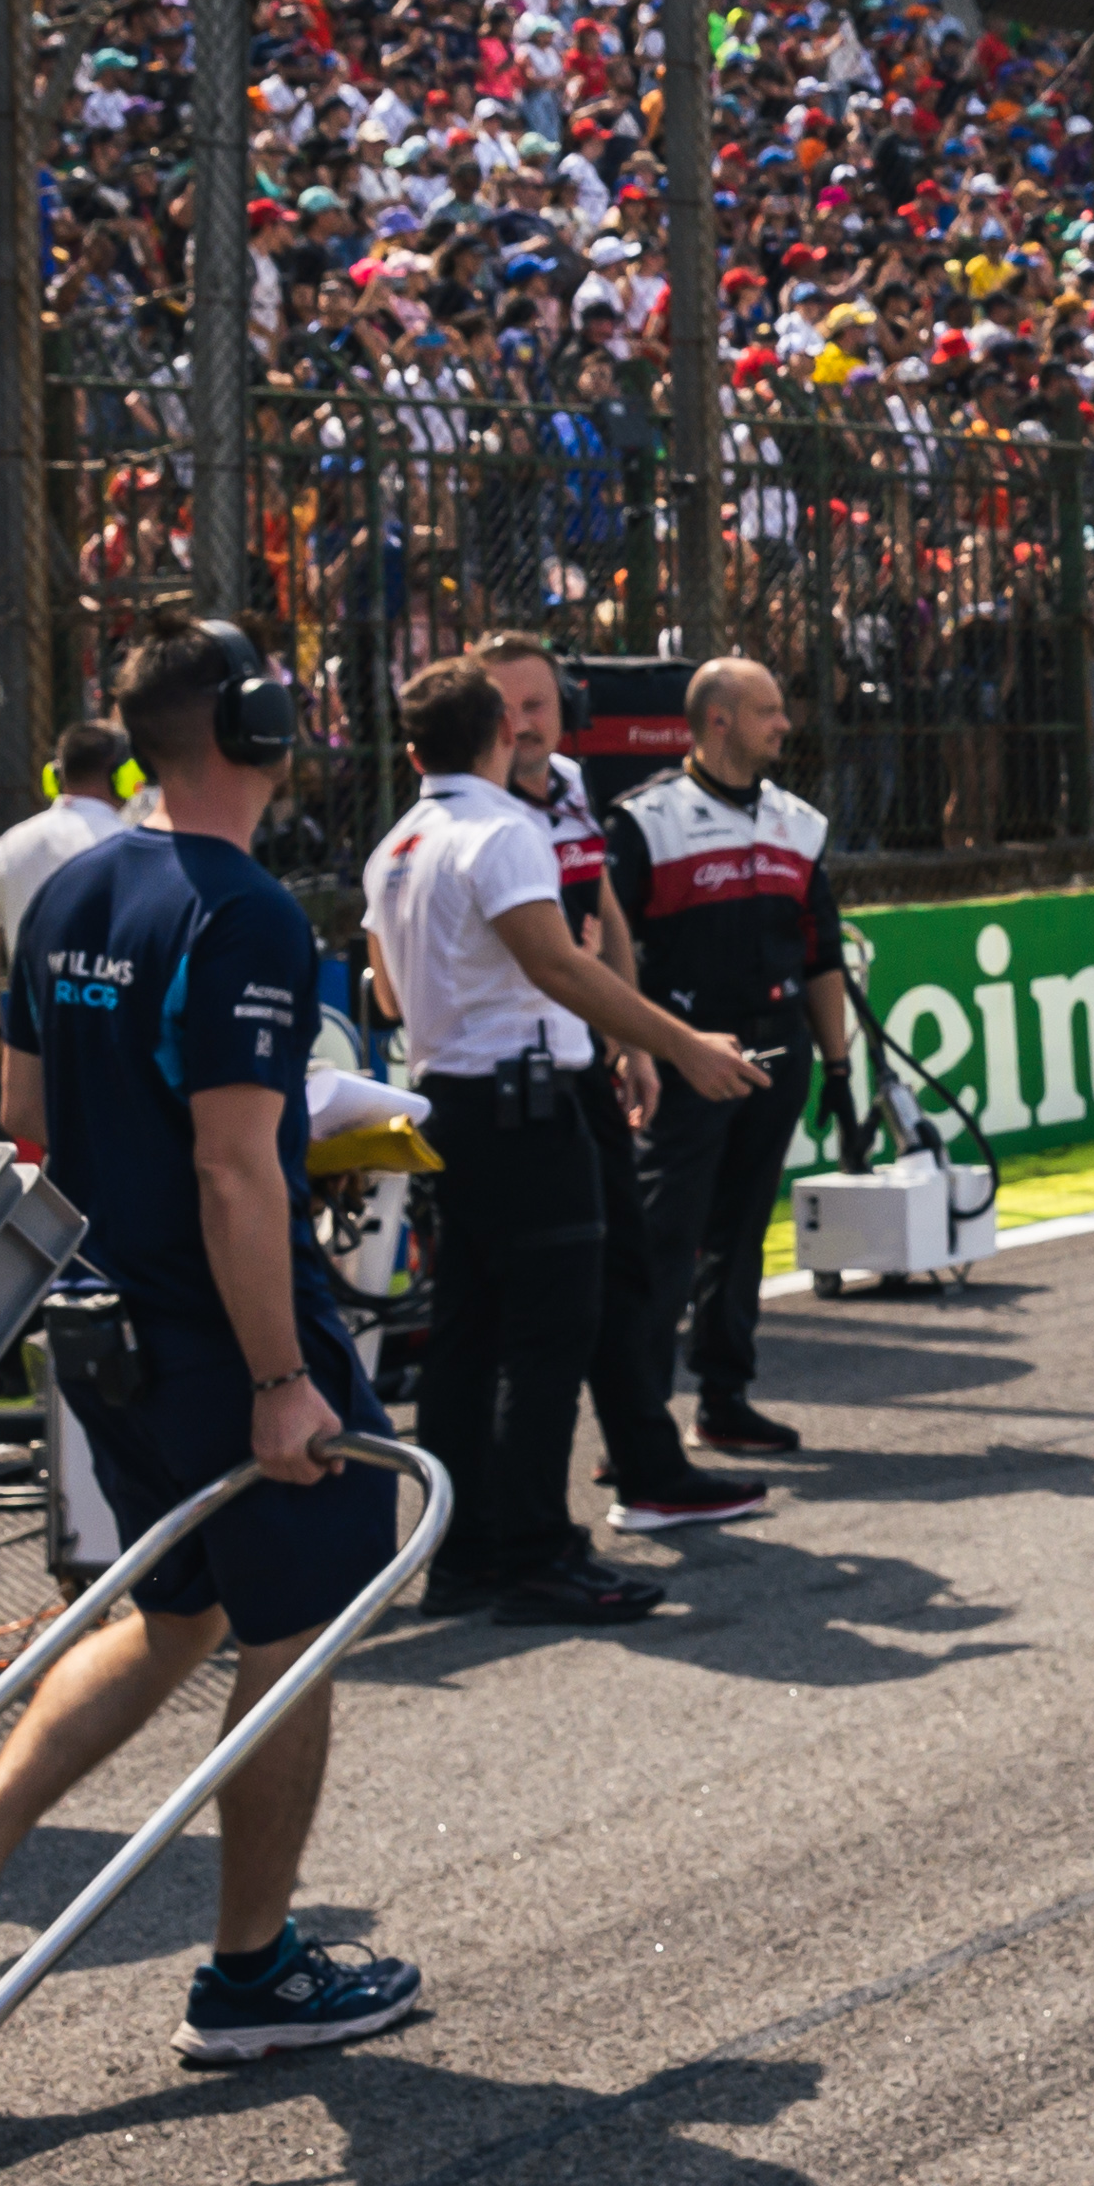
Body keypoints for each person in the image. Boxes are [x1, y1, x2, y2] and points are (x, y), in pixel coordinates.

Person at [0, 621, 421, 2072]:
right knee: (291, 1637)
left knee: (173, 1612)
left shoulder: (66, 888)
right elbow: (237, 1168)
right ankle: (249, 1974)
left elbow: (29, 1116)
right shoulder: (242, 912)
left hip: (99, 1320)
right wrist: (283, 1377)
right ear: (256, 728)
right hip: (226, 1328)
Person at [367, 655, 759, 1626]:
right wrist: (678, 1040)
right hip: (524, 1109)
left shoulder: (397, 844)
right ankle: (538, 1550)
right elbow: (554, 966)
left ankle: (466, 1553)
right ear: (503, 727)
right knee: (547, 1338)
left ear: (413, 750)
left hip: (449, 1103)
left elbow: (384, 994)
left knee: (466, 1342)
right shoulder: (506, 830)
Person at [473, 636, 763, 1533]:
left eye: (539, 707)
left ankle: (647, 1465)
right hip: (506, 1081)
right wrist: (673, 1042)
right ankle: (515, 1530)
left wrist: (631, 1043)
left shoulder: (565, 784)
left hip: (577, 1064)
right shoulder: (472, 810)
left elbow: (600, 908)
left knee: (625, 1272)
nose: (524, 726)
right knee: (531, 1316)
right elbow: (557, 959)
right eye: (507, 708)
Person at [599, 656, 849, 1466]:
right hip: (686, 1051)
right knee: (662, 1238)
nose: (785, 724)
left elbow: (823, 955)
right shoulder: (644, 820)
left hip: (778, 1044)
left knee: (741, 1233)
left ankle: (725, 1400)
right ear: (718, 720)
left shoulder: (799, 823)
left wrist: (839, 1070)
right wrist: (633, 1044)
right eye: (768, 711)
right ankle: (635, 1427)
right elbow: (605, 947)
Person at [0, 716, 130, 1070]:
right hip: (117, 1041)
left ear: (55, 775)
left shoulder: (9, 846)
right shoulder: (133, 847)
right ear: (124, 776)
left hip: (32, 1045)